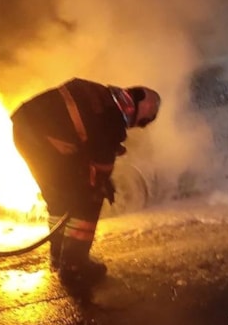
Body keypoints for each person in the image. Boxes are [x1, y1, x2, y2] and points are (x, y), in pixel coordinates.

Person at [11, 78, 161, 286]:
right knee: (88, 201)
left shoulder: (105, 97)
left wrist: (96, 174)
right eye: (144, 121)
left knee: (59, 198)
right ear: (142, 109)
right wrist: (100, 185)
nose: (139, 126)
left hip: (26, 131)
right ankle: (75, 266)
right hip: (42, 139)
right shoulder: (111, 117)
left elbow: (83, 137)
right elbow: (99, 164)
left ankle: (59, 256)